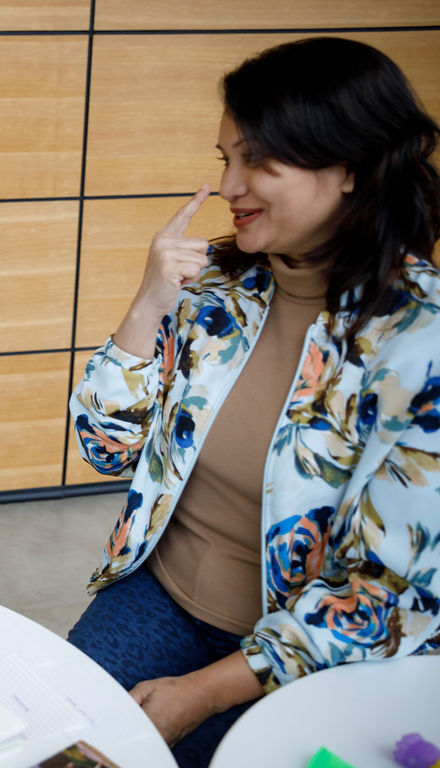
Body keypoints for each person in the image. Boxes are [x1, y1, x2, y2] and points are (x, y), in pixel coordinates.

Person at [67, 37, 440, 767]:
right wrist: (148, 304)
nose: (231, 187)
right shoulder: (217, 291)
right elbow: (103, 447)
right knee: (62, 741)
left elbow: (389, 597)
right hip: (160, 594)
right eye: (224, 160)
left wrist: (204, 692)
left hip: (309, 650)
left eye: (259, 161)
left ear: (349, 170)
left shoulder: (420, 344)